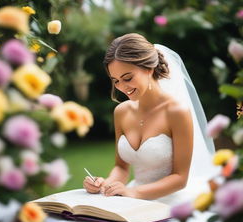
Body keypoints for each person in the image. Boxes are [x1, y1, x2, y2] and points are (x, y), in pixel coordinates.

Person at [83, 33, 218, 205]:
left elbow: (180, 178)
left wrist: (134, 192)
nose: (122, 87)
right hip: (133, 198)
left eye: (128, 78)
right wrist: (103, 183)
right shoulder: (121, 112)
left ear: (149, 68)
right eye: (115, 81)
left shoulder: (177, 112)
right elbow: (121, 168)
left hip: (171, 203)